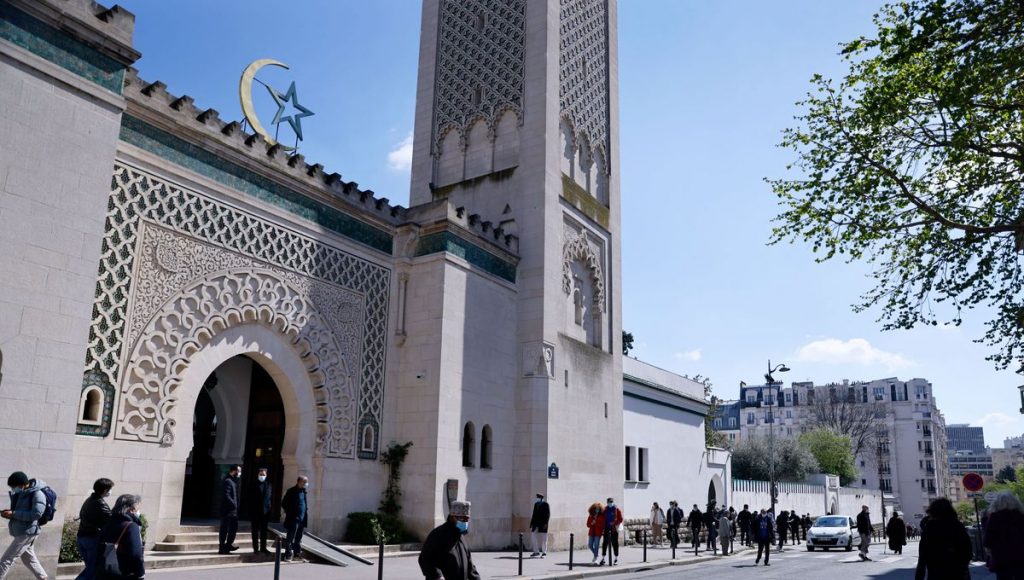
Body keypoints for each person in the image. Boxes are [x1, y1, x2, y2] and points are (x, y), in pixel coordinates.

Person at [0, 472, 48, 580]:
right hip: (22, 531)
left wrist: (13, 514)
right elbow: (19, 511)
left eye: (14, 486)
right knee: (29, 559)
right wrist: (9, 514)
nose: (13, 489)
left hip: (27, 532)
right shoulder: (23, 493)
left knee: (6, 559)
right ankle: (43, 578)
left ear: (21, 484)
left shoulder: (38, 494)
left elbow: (36, 514)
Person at [418, 500, 480, 580]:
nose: (465, 522)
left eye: (467, 519)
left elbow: (470, 567)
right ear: (452, 517)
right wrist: (437, 575)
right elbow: (424, 559)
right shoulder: (438, 534)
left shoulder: (461, 538)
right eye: (462, 518)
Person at [915, 498, 971, 580]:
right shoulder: (957, 526)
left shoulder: (930, 529)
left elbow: (922, 558)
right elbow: (968, 551)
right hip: (958, 573)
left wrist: (919, 577)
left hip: (936, 574)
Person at [97, 494, 145, 580]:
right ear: (131, 509)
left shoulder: (108, 523)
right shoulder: (131, 526)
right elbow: (136, 555)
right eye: (137, 509)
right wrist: (140, 573)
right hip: (124, 571)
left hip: (105, 569)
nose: (137, 512)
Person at [76, 478, 114, 580]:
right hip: (91, 539)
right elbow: (111, 520)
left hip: (82, 537)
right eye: (110, 489)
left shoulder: (89, 500)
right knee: (92, 569)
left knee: (91, 568)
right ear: (105, 490)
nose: (111, 492)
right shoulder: (100, 503)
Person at [984, 491, 1024, 579]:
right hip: (1021, 555)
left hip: (1001, 557)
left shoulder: (994, 517)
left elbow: (988, 539)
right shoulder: (1021, 516)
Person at [281, 475, 309, 562]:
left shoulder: (304, 491)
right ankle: (288, 555)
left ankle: (297, 555)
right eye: (305, 482)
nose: (306, 483)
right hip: (293, 519)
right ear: (299, 482)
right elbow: (284, 503)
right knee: (290, 538)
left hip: (302, 519)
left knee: (298, 538)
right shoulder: (291, 491)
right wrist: (290, 513)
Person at [218, 465, 241, 554]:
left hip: (233, 511)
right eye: (238, 471)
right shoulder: (228, 481)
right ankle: (222, 548)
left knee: (233, 529)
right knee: (224, 529)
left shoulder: (233, 481)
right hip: (227, 511)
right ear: (234, 471)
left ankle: (228, 545)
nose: (239, 473)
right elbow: (226, 495)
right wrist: (234, 504)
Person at [250, 467, 272, 554]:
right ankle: (255, 548)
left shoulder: (269, 484)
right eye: (260, 474)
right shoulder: (253, 484)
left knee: (264, 531)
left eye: (263, 474)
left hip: (265, 513)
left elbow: (269, 498)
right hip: (255, 512)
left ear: (266, 475)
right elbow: (249, 498)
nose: (262, 476)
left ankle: (263, 547)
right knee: (255, 531)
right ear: (258, 474)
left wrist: (269, 509)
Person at [599, 497, 622, 566]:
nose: (610, 503)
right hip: (606, 528)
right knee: (605, 543)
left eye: (611, 502)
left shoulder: (617, 509)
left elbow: (620, 519)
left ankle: (616, 558)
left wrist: (614, 523)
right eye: (609, 502)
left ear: (613, 502)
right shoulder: (605, 509)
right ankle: (603, 558)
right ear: (607, 503)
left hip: (614, 529)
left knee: (615, 543)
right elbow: (602, 518)